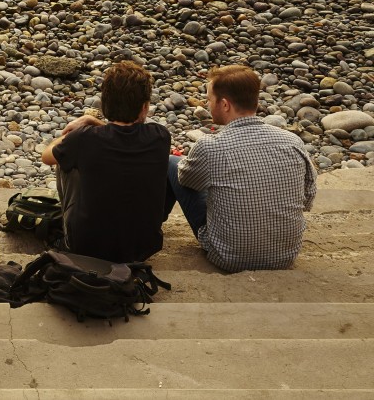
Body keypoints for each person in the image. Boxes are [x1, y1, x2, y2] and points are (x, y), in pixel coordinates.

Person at [165, 65, 317, 271]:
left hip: (228, 257)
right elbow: (307, 198)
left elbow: (188, 183)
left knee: (174, 164)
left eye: (210, 99)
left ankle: (147, 229)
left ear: (225, 104)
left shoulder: (211, 146)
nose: (206, 104)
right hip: (285, 256)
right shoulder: (293, 141)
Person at [41, 61, 171, 263]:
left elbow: (47, 156)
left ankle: (67, 238)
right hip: (144, 248)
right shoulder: (160, 136)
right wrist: (94, 124)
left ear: (104, 104)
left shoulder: (84, 139)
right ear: (144, 107)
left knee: (65, 159)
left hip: (87, 248)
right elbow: (121, 137)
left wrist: (80, 127)